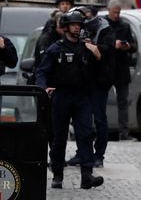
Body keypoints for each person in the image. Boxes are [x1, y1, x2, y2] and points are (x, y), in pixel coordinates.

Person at [36, 10, 105, 190]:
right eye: (73, 25)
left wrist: (98, 56)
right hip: (61, 96)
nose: (77, 28)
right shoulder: (56, 48)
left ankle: (87, 175)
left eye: (79, 25)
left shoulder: (87, 48)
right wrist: (44, 88)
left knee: (85, 134)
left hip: (82, 97)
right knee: (59, 137)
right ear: (66, 27)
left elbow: (100, 72)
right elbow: (42, 71)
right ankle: (57, 174)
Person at [98, 0, 135, 142]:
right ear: (109, 10)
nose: (116, 15)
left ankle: (123, 133)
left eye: (118, 12)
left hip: (121, 68)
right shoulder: (102, 25)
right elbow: (99, 44)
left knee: (123, 102)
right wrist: (114, 44)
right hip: (106, 67)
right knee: (101, 101)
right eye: (114, 12)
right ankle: (101, 131)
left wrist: (127, 47)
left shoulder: (125, 26)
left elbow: (133, 46)